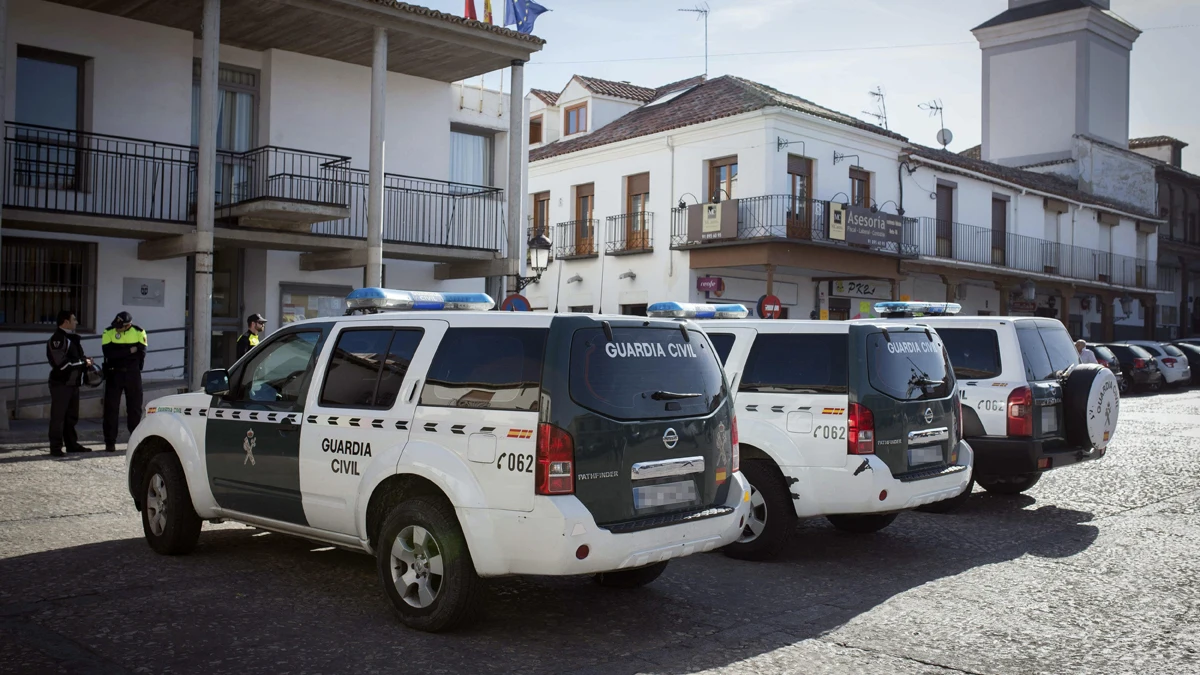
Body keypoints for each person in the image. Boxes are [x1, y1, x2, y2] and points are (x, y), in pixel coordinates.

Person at [46, 310, 93, 457]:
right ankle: (55, 448)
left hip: (73, 384)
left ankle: (71, 445)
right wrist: (83, 362)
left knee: (71, 417)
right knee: (58, 417)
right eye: (74, 319)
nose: (76, 322)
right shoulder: (58, 339)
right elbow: (61, 365)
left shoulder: (72, 338)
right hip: (61, 384)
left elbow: (77, 357)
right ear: (65, 322)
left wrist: (86, 362)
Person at [101, 311, 148, 453]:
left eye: (120, 327)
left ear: (128, 325)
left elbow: (142, 353)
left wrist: (121, 353)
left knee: (134, 409)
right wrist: (130, 351)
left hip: (133, 375)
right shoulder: (108, 331)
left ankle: (135, 441)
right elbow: (108, 354)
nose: (117, 329)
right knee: (111, 408)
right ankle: (110, 442)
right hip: (114, 373)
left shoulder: (139, 332)